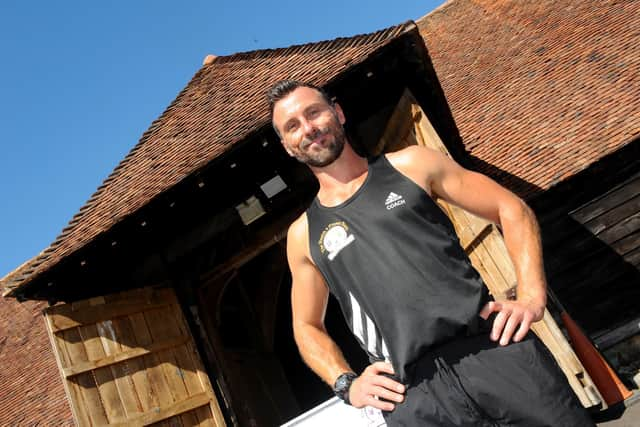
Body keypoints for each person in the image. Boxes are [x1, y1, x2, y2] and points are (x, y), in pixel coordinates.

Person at [267, 80, 594, 426]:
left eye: (313, 112)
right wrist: (346, 382)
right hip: (413, 397)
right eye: (292, 126)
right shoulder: (303, 234)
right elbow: (306, 326)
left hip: (494, 351)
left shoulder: (412, 164)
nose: (308, 128)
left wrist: (530, 294)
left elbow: (510, 208)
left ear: (338, 112)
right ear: (288, 147)